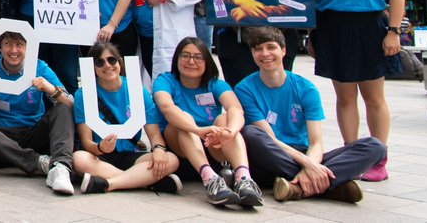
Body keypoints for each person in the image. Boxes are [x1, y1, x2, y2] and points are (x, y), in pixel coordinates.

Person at [306, 0, 404, 182]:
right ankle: (352, 156)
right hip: (332, 27)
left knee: (374, 97)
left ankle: (378, 157)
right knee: (345, 97)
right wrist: (312, 35)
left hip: (369, 26)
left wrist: (393, 31)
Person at [235, 26, 384, 204]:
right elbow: (270, 139)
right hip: (271, 155)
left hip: (303, 153)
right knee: (251, 133)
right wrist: (309, 166)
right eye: (258, 49)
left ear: (283, 51)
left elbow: (316, 142)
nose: (265, 53)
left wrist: (310, 163)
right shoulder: (244, 89)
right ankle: (328, 184)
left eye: (271, 47)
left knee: (375, 146)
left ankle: (297, 188)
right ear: (252, 54)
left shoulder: (305, 88)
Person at [0, 29, 76, 194]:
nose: (13, 50)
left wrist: (51, 89)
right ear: (0, 47)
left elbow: (71, 104)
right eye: (8, 44)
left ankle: (60, 167)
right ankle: (38, 162)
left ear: (28, 47)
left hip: (33, 133)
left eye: (19, 44)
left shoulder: (39, 67)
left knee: (62, 108)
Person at [152, 38, 262, 207]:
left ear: (207, 61)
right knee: (184, 119)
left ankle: (244, 179)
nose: (191, 62)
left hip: (213, 145)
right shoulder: (165, 80)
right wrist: (197, 130)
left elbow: (236, 109)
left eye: (198, 57)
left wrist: (231, 132)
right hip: (180, 146)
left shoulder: (215, 83)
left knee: (225, 120)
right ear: (176, 59)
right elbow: (166, 107)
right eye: (185, 56)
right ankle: (210, 180)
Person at [71, 42, 181, 194]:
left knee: (171, 159)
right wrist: (100, 147)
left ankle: (109, 183)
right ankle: (144, 182)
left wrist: (159, 150)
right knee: (78, 159)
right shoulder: (83, 94)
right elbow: (86, 142)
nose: (107, 65)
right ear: (93, 68)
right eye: (99, 62)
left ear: (120, 62)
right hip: (100, 156)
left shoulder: (137, 90)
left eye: (112, 60)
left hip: (131, 154)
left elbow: (154, 134)